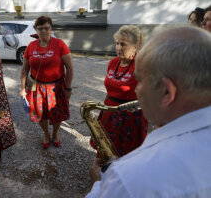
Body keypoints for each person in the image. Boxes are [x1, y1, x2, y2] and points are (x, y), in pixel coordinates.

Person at [85, 25, 211, 197]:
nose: (137, 90)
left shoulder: (127, 178)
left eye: (140, 81)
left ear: (167, 91)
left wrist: (99, 184)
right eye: (117, 44)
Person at [90, 25, 148, 157]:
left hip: (130, 115)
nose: (118, 48)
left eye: (123, 44)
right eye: (117, 43)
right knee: (105, 149)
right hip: (109, 111)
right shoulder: (113, 62)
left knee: (125, 154)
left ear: (135, 46)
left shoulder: (141, 64)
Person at [20, 16, 74, 149]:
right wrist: (22, 88)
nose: (43, 31)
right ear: (36, 29)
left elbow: (70, 68)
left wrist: (68, 88)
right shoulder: (31, 46)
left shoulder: (59, 44)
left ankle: (55, 133)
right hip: (36, 86)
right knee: (40, 113)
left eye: (47, 28)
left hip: (57, 86)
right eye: (40, 28)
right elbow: (25, 69)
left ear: (51, 28)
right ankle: (46, 133)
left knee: (57, 113)